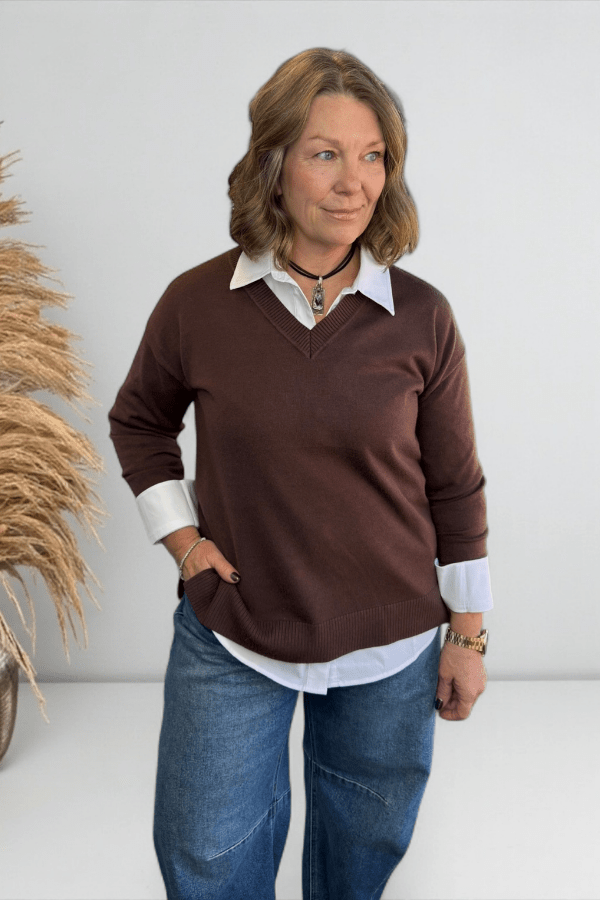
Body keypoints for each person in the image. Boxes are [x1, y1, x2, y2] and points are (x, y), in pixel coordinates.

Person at [109, 47, 492, 900]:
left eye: (374, 156)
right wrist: (182, 540)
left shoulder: (422, 317)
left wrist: (467, 631)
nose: (354, 181)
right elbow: (139, 421)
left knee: (361, 862)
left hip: (392, 646)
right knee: (207, 858)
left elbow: (455, 486)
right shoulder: (196, 304)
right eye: (326, 153)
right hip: (235, 630)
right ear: (273, 165)